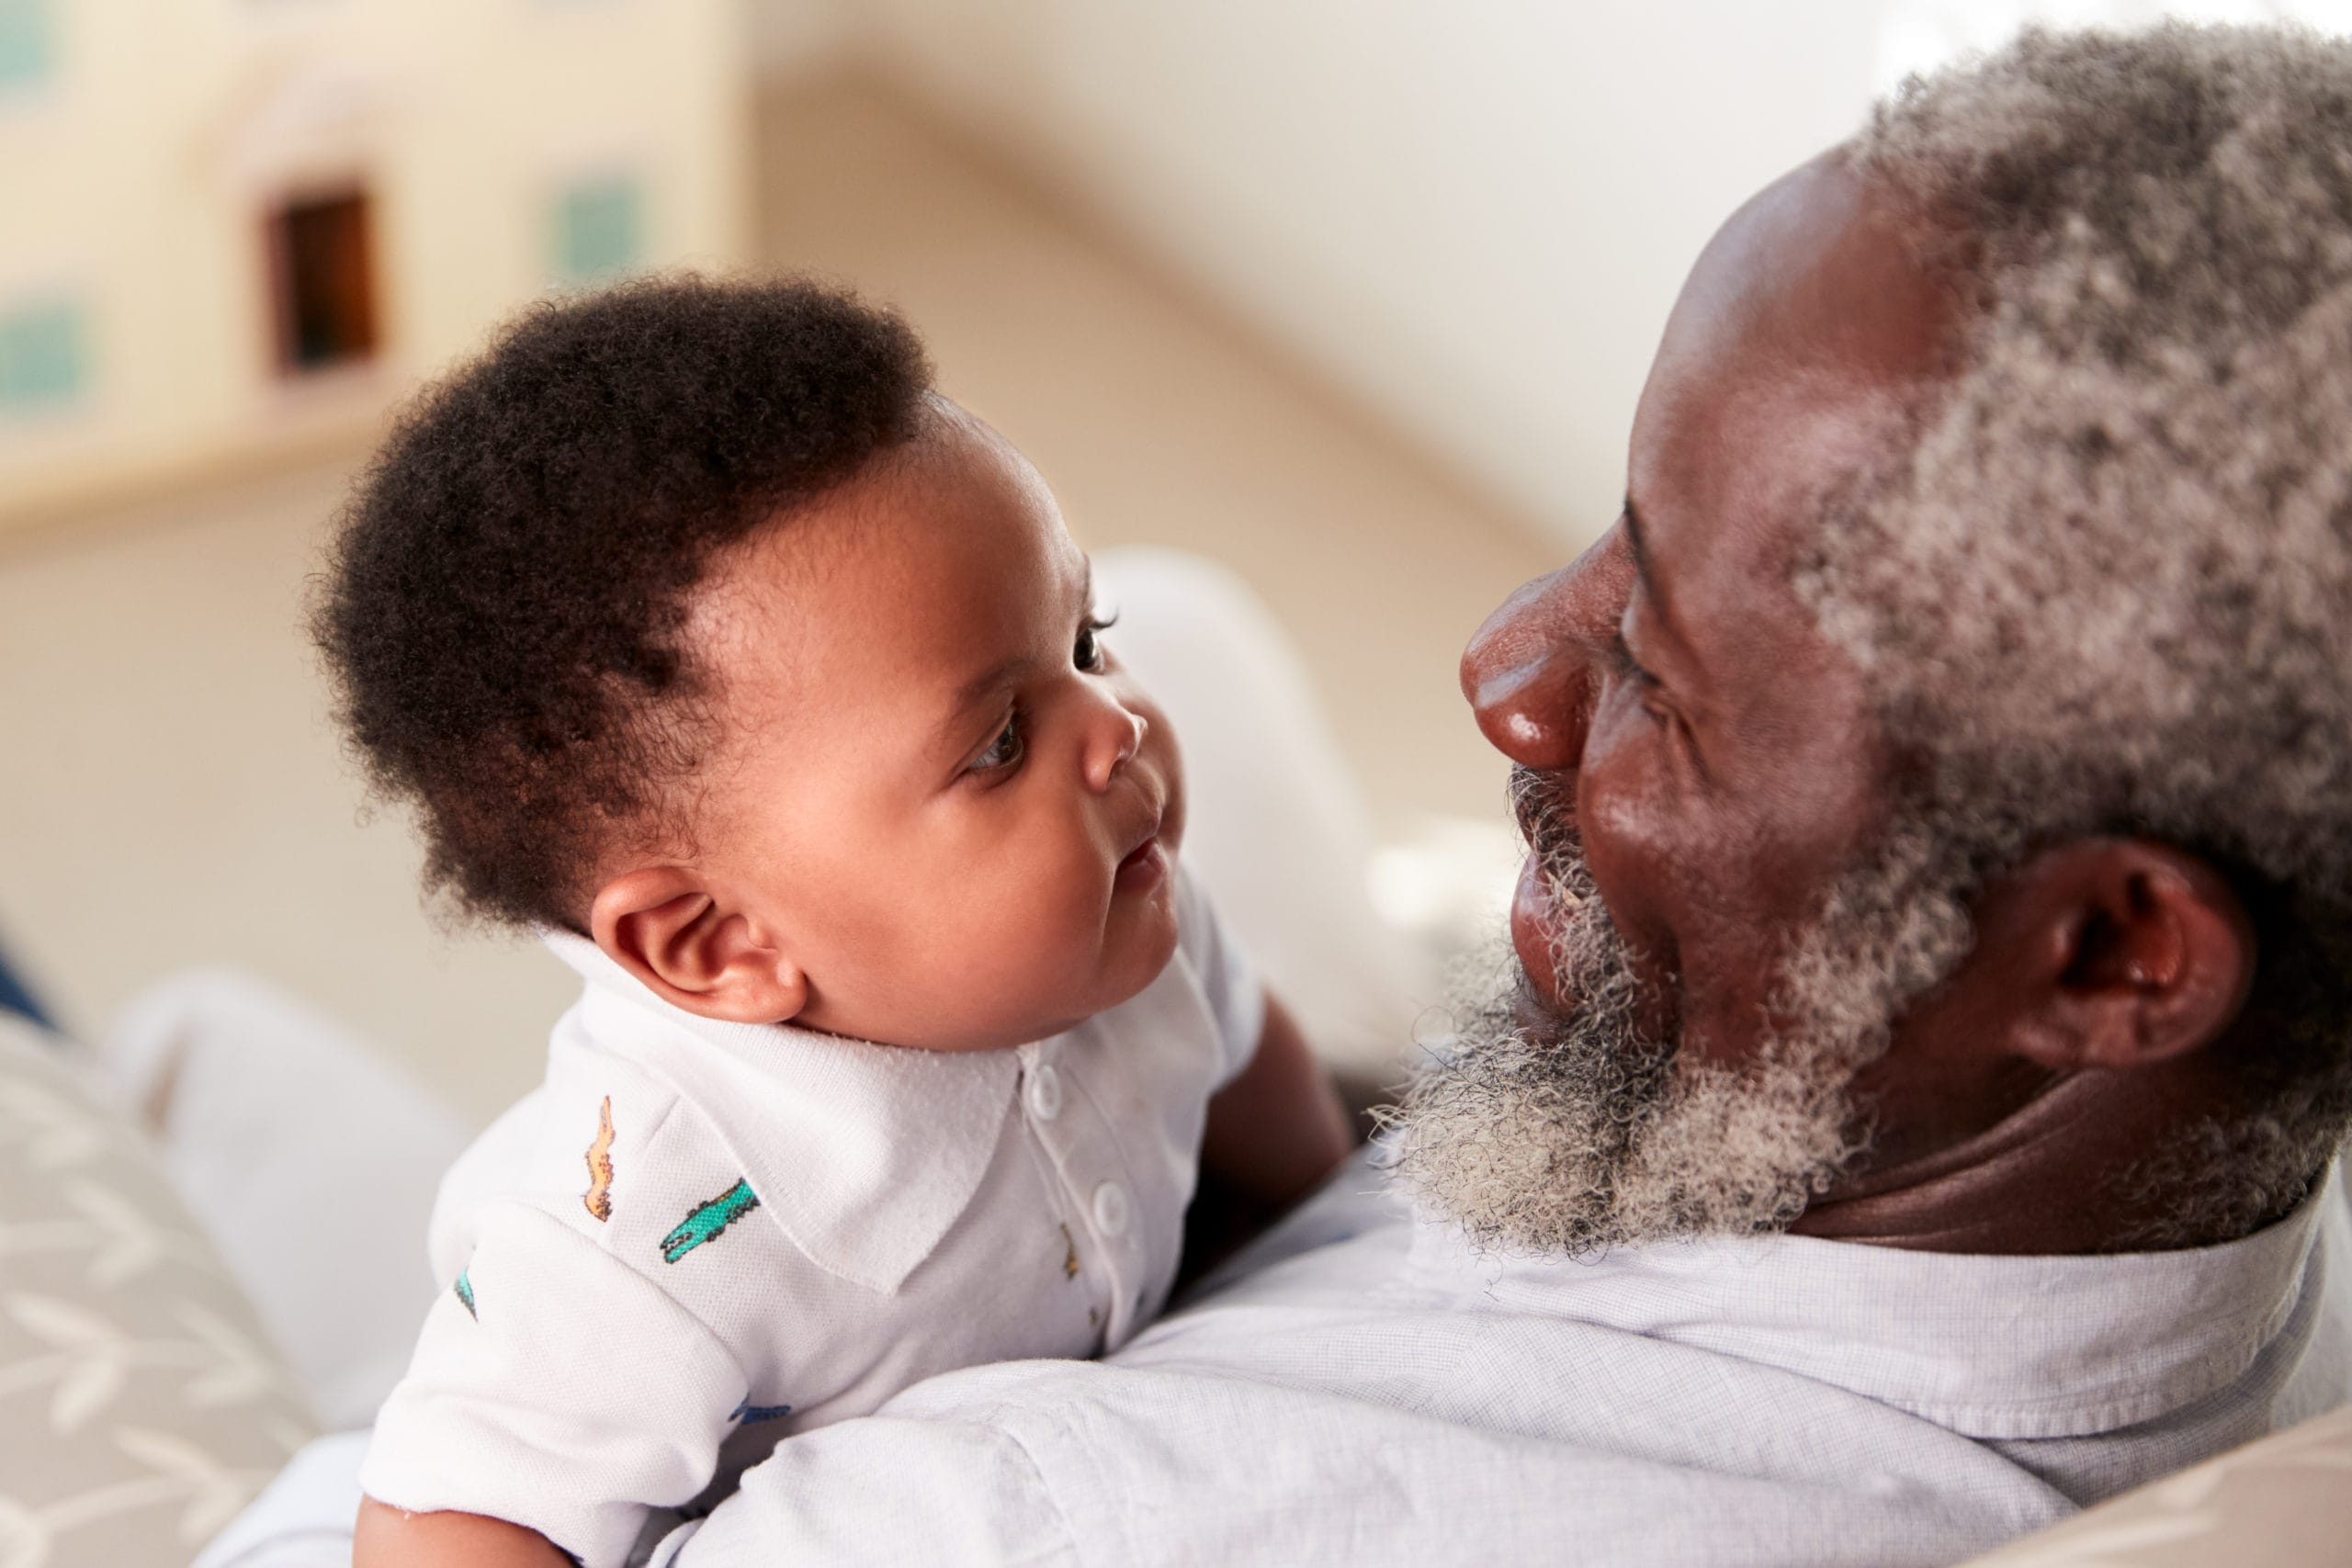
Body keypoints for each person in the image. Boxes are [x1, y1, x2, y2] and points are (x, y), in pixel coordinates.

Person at [203, 22, 2352, 1567]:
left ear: (2110, 950)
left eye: (1662, 674)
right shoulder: (2213, 1210)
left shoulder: (1017, 1517)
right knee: (1189, 621)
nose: (1506, 670)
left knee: (203, 1053)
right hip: (655, 1324)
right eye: (1602, 524)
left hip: (440, 1459)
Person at [312, 282, 1354, 1568]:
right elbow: (446, 1518)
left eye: (1088, 639)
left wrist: (1344, 1242)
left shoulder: (1124, 904)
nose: (1118, 726)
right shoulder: (629, 1249)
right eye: (1001, 743)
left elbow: (1253, 1067)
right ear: (718, 945)